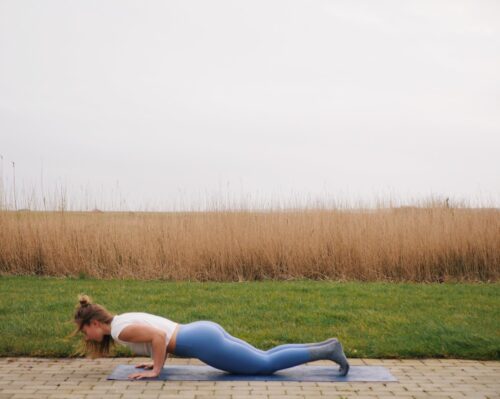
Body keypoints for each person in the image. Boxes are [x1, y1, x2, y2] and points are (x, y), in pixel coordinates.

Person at [70, 294, 350, 380]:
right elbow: (159, 337)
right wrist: (155, 362)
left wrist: (156, 370)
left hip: (203, 342)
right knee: (264, 357)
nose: (89, 337)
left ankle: (327, 352)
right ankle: (327, 347)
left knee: (264, 365)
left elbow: (157, 337)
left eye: (86, 332)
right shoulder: (122, 319)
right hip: (203, 331)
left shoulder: (119, 330)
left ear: (95, 323)